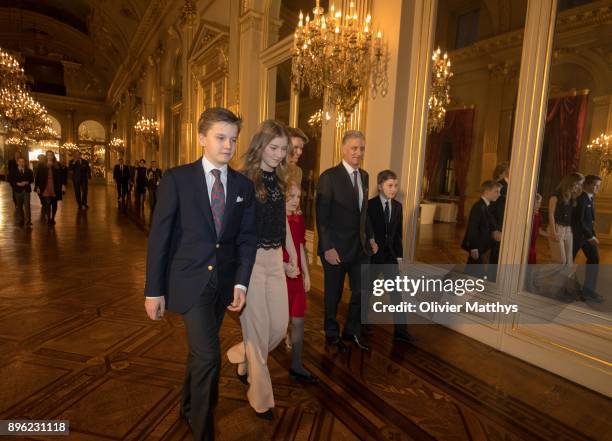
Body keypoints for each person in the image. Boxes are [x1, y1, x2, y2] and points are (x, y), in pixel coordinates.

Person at [144, 107, 257, 441]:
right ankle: (203, 430)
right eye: (221, 137)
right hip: (188, 282)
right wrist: (154, 290)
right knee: (209, 356)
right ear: (201, 138)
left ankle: (188, 405)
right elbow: (160, 237)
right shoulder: (177, 179)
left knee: (199, 353)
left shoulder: (242, 186)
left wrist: (241, 281)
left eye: (233, 139)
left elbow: (247, 239)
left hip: (223, 286)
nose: (228, 145)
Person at [227, 119, 298, 421]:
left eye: (284, 149)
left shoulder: (282, 181)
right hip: (251, 263)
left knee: (279, 327)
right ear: (260, 145)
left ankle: (242, 357)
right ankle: (261, 399)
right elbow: (231, 228)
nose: (279, 154)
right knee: (257, 330)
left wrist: (291, 255)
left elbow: (283, 223)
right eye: (274, 147)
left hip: (275, 262)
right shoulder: (244, 179)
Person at [316, 130, 377, 353]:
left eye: (361, 148)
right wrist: (327, 247)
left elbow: (364, 212)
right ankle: (331, 333)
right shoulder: (329, 177)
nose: (358, 152)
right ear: (343, 149)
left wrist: (370, 237)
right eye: (354, 148)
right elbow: (321, 216)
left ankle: (352, 331)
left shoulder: (365, 176)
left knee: (361, 291)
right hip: (336, 249)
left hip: (359, 248)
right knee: (334, 294)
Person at [367, 170, 414, 343]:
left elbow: (397, 235)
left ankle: (401, 331)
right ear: (380, 186)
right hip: (373, 257)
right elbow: (365, 231)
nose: (393, 189)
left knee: (396, 294)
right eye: (390, 185)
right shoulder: (370, 205)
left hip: (390, 258)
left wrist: (400, 258)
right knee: (367, 292)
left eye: (395, 185)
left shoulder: (398, 207)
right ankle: (361, 323)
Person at [283, 180, 317, 383]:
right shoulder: (274, 219)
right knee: (276, 324)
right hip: (278, 276)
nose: (296, 201)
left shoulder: (299, 219)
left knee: (298, 320)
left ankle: (296, 363)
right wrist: (285, 267)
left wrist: (306, 274)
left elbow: (301, 248)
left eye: (298, 197)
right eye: (291, 196)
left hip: (296, 278)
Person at [572, 174, 603, 303]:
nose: (597, 188)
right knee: (568, 262)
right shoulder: (582, 198)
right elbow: (579, 221)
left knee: (594, 259)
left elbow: (590, 221)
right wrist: (590, 236)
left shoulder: (590, 198)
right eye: (596, 185)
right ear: (588, 185)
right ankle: (569, 289)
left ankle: (588, 291)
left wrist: (593, 235)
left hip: (586, 236)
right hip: (578, 236)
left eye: (598, 186)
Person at [461, 180, 501, 277]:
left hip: (481, 248)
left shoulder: (486, 206)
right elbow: (472, 228)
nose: (499, 194)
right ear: (487, 191)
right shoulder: (479, 207)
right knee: (473, 275)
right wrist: (473, 248)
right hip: (477, 248)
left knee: (472, 274)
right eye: (496, 191)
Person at [547, 172, 584, 266]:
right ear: (571, 182)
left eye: (580, 184)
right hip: (556, 227)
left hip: (567, 229)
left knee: (569, 262)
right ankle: (542, 277)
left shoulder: (571, 196)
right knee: (560, 260)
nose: (579, 186)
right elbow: (551, 214)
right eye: (578, 183)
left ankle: (562, 280)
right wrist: (553, 231)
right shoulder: (555, 195)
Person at [34, 150, 67, 226]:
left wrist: (63, 185)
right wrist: (37, 186)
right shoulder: (41, 165)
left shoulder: (57, 165)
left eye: (51, 155)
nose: (49, 156)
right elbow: (37, 177)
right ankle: (48, 218)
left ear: (53, 156)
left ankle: (53, 218)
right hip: (45, 186)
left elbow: (63, 176)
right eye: (48, 155)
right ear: (46, 156)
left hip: (55, 186)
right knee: (47, 203)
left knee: (54, 203)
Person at [8, 157, 34, 227]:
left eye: (23, 162)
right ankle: (21, 220)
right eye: (20, 162)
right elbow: (10, 180)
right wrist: (17, 183)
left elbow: (32, 179)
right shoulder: (13, 171)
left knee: (27, 206)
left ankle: (28, 221)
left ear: (25, 162)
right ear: (17, 162)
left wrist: (27, 182)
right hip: (17, 191)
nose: (22, 163)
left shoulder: (29, 171)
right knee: (19, 206)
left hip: (26, 190)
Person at [528, 194, 544, 264]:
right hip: (527, 245)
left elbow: (540, 231)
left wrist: (550, 235)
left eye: (540, 203)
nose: (539, 205)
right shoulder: (528, 215)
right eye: (537, 203)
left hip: (533, 246)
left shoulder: (539, 216)